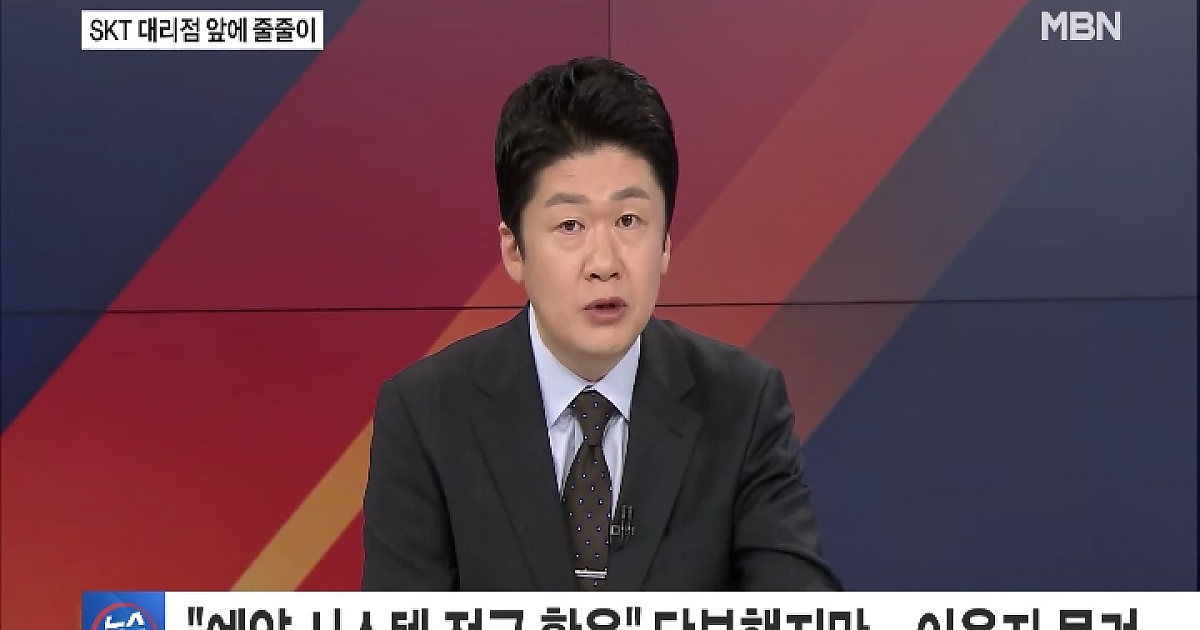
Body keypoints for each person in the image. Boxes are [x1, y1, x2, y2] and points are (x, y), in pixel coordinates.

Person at [362, 56, 841, 591]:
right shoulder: (426, 416)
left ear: (665, 243)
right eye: (570, 225)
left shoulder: (742, 405)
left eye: (629, 220)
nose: (605, 262)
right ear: (514, 250)